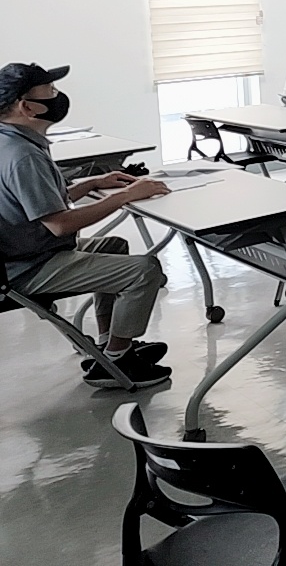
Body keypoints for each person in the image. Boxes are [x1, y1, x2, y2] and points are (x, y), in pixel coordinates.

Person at [0, 63, 173, 389]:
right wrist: (125, 196)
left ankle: (109, 344)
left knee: (116, 247)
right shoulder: (22, 154)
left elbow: (34, 200)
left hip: (23, 252)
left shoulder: (12, 141)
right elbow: (59, 224)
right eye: (49, 93)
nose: (57, 97)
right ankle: (117, 363)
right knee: (144, 270)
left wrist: (92, 183)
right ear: (27, 107)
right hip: (29, 266)